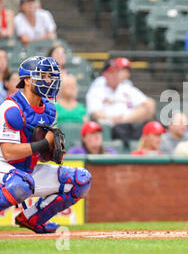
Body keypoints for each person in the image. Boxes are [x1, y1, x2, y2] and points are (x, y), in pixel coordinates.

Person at [0, 56, 91, 233]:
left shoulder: (49, 109)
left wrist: (50, 151)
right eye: (43, 75)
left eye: (51, 76)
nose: (49, 80)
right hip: (3, 164)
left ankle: (33, 219)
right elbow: (9, 152)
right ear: (27, 80)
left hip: (25, 170)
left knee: (81, 180)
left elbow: (38, 153)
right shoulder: (12, 108)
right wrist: (43, 144)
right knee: (22, 183)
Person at [86, 59, 156, 147]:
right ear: (104, 74)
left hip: (131, 124)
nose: (115, 75)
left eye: (117, 72)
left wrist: (123, 119)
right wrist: (112, 119)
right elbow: (96, 113)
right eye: (112, 72)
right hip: (111, 127)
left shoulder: (126, 88)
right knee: (119, 128)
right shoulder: (97, 89)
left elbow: (150, 105)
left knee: (152, 123)